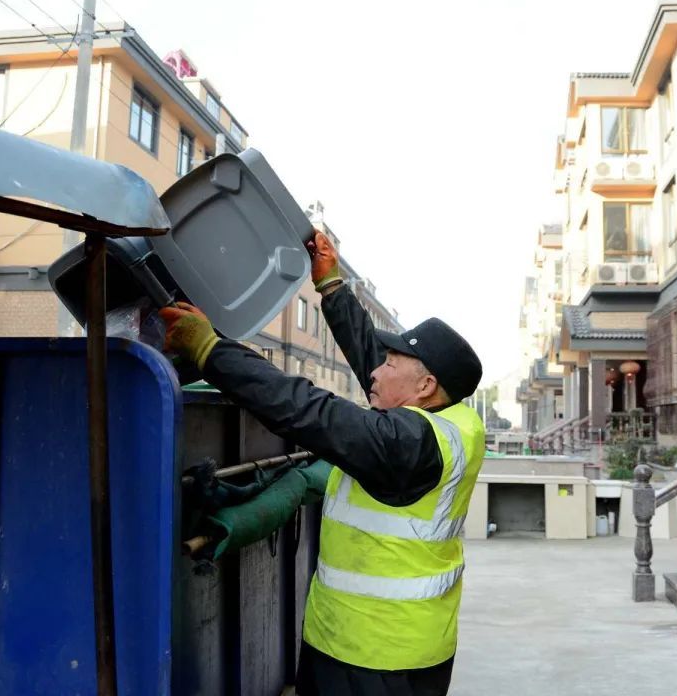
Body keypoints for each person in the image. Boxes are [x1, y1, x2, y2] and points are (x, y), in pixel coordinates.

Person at [160, 231, 485, 696]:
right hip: (382, 644)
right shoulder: (450, 421)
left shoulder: (406, 445)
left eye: (392, 362)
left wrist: (211, 350)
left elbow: (308, 410)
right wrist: (332, 287)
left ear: (426, 385)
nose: (376, 370)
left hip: (376, 657)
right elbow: (376, 361)